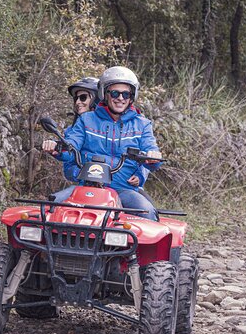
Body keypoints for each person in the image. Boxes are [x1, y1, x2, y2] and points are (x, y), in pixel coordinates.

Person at [42, 66, 161, 221]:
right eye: (115, 93)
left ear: (132, 96)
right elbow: (72, 146)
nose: (120, 98)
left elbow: (151, 150)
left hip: (123, 189)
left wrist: (153, 157)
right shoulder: (86, 120)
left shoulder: (143, 124)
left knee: (148, 213)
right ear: (105, 93)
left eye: (126, 94)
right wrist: (57, 148)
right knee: (49, 209)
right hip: (86, 187)